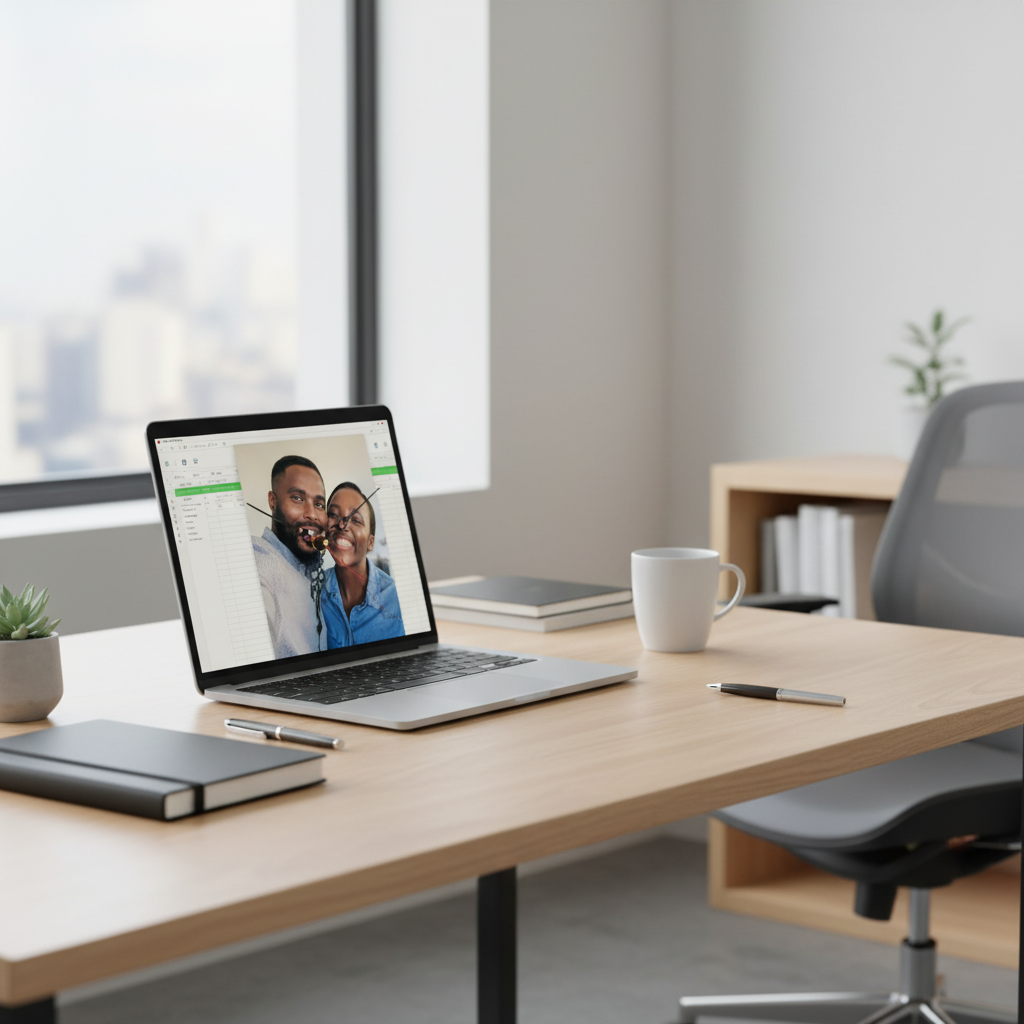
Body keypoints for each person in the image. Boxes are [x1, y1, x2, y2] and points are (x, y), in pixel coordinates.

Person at [251, 455, 328, 658]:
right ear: (272, 501)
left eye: (319, 504)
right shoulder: (260, 563)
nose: (312, 514)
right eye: (298, 498)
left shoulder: (313, 574)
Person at [322, 481, 404, 647]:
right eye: (334, 515)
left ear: (370, 542)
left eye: (357, 520)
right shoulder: (312, 592)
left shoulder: (398, 599)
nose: (342, 525)